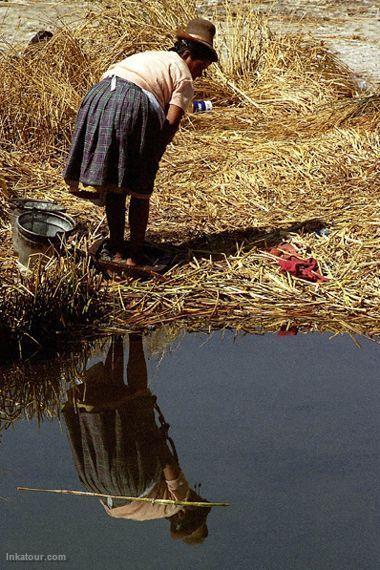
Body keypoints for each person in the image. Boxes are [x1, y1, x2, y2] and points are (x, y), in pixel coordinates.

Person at [63, 18, 218, 267]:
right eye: (203, 64)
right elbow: (170, 123)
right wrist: (152, 158)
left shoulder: (151, 57)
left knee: (115, 182)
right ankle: (135, 255)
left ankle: (115, 248)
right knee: (139, 189)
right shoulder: (183, 75)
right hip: (132, 103)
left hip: (99, 97)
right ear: (188, 54)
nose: (203, 71)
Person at [62, 334, 212, 544]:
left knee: (139, 397)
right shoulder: (146, 512)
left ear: (184, 514)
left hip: (134, 481)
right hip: (99, 483)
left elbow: (167, 464)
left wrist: (154, 434)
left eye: (198, 502)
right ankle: (115, 338)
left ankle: (134, 336)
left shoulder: (179, 502)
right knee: (114, 400)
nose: (196, 495)